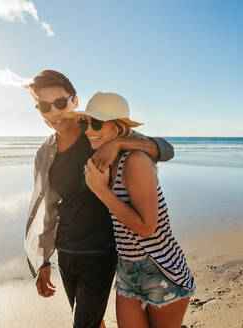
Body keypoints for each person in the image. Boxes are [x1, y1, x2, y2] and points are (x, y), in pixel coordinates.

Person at [24, 70, 175, 328]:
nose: (54, 112)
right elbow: (48, 208)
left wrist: (118, 145)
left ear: (74, 100)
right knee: (92, 321)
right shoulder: (44, 154)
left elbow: (165, 149)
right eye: (44, 107)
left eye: (60, 103)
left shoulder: (97, 131)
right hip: (67, 253)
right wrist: (44, 261)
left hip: (101, 252)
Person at [65, 92, 195, 328]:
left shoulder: (135, 160)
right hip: (127, 269)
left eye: (96, 123)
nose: (88, 130)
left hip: (161, 268)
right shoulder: (104, 159)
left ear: (118, 127)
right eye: (85, 122)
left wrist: (101, 191)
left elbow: (147, 228)